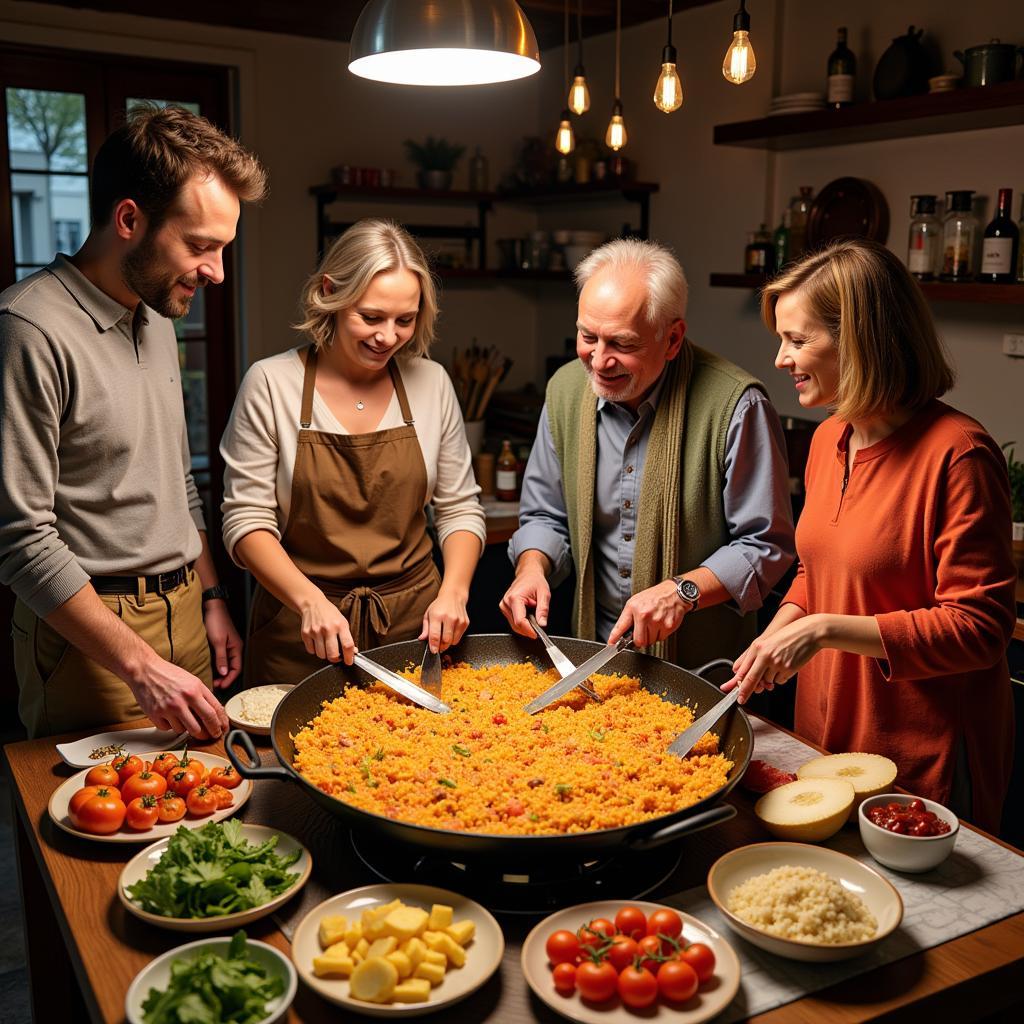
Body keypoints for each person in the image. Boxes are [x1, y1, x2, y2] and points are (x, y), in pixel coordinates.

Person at [724, 238, 1016, 833]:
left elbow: (981, 628)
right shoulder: (829, 440)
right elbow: (820, 566)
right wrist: (784, 627)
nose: (780, 358)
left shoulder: (959, 455)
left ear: (861, 342)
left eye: (798, 340)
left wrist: (822, 630)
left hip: (917, 748)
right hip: (825, 729)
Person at [0, 104, 267, 739]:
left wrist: (210, 596)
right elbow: (21, 542)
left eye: (223, 248)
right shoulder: (29, 330)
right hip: (92, 640)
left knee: (205, 813)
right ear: (129, 219)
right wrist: (142, 666)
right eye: (200, 246)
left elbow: (175, 483)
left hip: (187, 615)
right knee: (101, 823)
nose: (217, 272)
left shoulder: (154, 315)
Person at [501, 238, 795, 667]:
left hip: (700, 667)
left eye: (622, 344)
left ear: (672, 339)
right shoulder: (565, 390)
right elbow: (546, 515)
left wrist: (682, 592)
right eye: (588, 337)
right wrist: (531, 568)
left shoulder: (736, 405)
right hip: (591, 655)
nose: (599, 362)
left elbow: (765, 544)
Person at [220, 219, 486, 685]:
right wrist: (309, 602)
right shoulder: (270, 383)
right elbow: (246, 522)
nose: (388, 336)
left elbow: (460, 508)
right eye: (371, 317)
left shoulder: (432, 382)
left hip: (416, 628)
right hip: (301, 627)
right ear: (331, 294)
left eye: (405, 320)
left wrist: (455, 592)